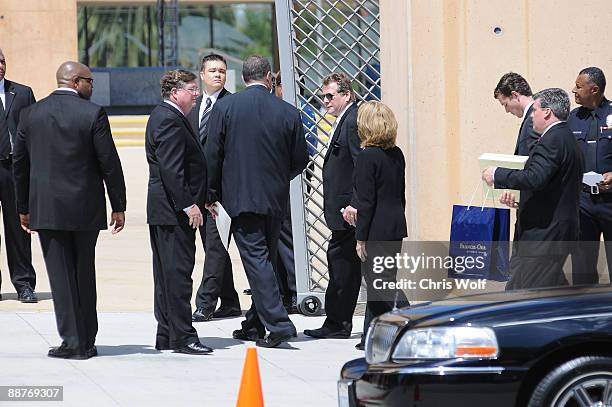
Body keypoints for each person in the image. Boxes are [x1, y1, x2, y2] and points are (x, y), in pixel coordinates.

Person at [13, 61, 126, 359]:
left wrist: (23, 207)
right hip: (85, 209)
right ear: (76, 81)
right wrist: (119, 205)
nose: (92, 86)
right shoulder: (93, 113)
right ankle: (87, 338)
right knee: (84, 273)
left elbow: (20, 166)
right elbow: (109, 164)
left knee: (61, 278)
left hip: (46, 209)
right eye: (90, 81)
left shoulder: (30, 114)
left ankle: (73, 342)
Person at [205, 56, 308, 348]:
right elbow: (300, 159)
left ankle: (279, 325)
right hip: (274, 199)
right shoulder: (288, 112)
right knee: (267, 259)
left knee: (257, 260)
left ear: (244, 77)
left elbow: (213, 155)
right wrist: (278, 178)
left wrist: (211, 194)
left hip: (240, 199)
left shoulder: (225, 107)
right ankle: (254, 324)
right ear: (268, 77)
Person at [482, 88, 583, 289]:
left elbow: (535, 177)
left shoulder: (552, 139)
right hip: (551, 234)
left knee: (523, 295)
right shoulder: (565, 137)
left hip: (544, 237)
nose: (531, 117)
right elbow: (552, 185)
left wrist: (497, 174)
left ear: (546, 112)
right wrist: (522, 200)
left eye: (535, 110)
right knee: (551, 294)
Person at [146, 69, 212, 355]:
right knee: (177, 276)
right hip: (173, 213)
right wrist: (189, 204)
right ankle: (184, 336)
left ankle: (168, 334)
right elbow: (172, 169)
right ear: (176, 92)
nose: (196, 94)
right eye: (192, 89)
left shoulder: (168, 116)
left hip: (165, 210)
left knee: (167, 275)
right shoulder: (170, 120)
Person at [304, 72, 361, 339]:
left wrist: (355, 204)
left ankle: (337, 323)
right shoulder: (341, 120)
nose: (325, 101)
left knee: (342, 267)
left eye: (330, 96)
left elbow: (361, 166)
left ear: (346, 95)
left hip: (347, 212)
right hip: (341, 212)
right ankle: (337, 322)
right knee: (342, 265)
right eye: (322, 96)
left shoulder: (351, 122)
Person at [350, 101, 409, 350]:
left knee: (380, 283)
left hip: (376, 229)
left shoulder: (367, 157)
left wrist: (360, 238)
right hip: (395, 226)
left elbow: (366, 201)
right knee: (378, 283)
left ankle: (411, 319)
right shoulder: (396, 154)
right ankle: (370, 337)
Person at [187, 54, 240, 322]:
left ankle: (205, 303)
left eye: (222, 71)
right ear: (202, 74)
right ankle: (230, 301)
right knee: (212, 249)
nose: (218, 75)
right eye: (212, 70)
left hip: (223, 194)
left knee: (216, 247)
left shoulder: (232, 104)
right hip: (198, 192)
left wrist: (215, 190)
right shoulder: (192, 107)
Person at [568, 67, 612, 285]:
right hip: (583, 203)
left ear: (594, 89)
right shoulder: (572, 119)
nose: (573, 90)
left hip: (610, 201)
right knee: (582, 272)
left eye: (578, 86)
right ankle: (584, 316)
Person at [0, 47, 37, 303]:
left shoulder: (22, 93)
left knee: (19, 230)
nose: (0, 65)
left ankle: (24, 284)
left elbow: (35, 130)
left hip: (15, 170)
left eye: (2, 60)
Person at [493, 72, 539, 156]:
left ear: (514, 95)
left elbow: (531, 164)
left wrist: (497, 170)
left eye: (505, 104)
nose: (507, 110)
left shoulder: (533, 120)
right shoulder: (536, 116)